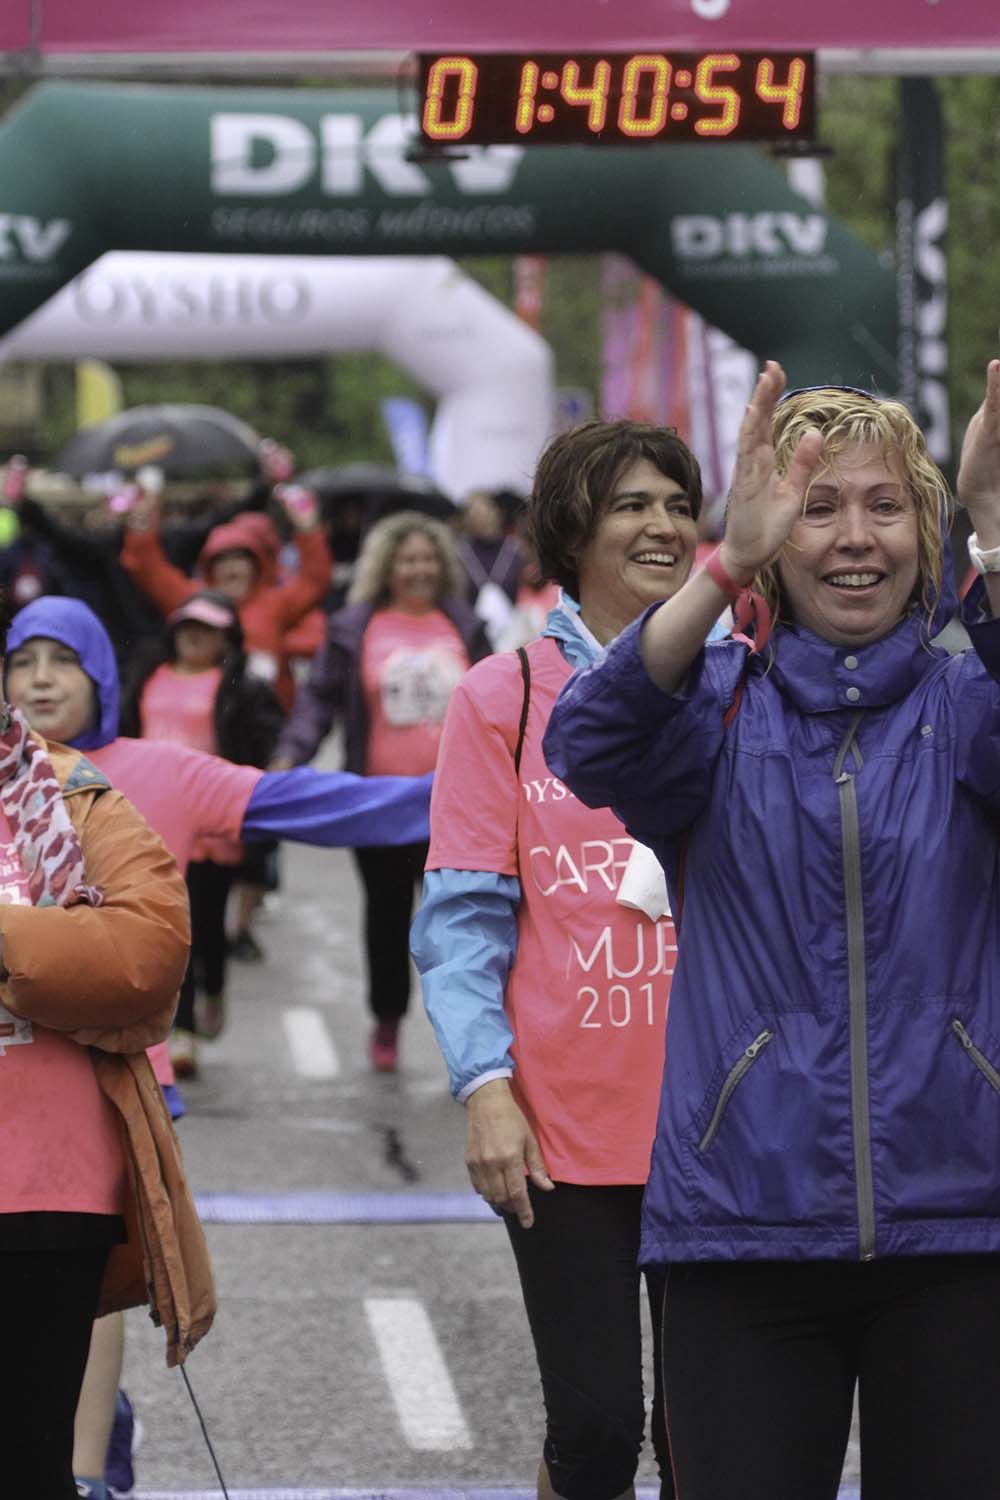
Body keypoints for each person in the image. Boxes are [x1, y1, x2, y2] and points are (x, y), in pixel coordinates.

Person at [544, 362, 1000, 1500]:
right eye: (817, 505)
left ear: (925, 532)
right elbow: (585, 742)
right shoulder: (715, 703)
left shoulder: (968, 705)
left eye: (885, 506)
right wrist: (721, 567)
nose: (854, 538)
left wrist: (998, 537)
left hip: (962, 1228)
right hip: (737, 1231)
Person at [3, 593, 436, 1500]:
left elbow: (306, 803)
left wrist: (464, 796)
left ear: (104, 679)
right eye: (22, 661)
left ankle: (88, 1460)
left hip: (114, 1090)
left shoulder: (146, 775)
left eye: (62, 662)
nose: (40, 680)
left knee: (82, 1302)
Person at [412, 419, 714, 1500]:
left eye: (679, 504)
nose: (663, 526)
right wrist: (484, 1088)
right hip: (565, 1129)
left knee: (706, 1445)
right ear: (573, 528)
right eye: (633, 504)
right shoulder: (509, 693)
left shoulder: (746, 674)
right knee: (593, 1433)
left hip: (727, 1117)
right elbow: (463, 918)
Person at [0, 592, 207, 1497]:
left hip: (48, 1185)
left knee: (26, 1462)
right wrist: (46, 950)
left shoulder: (70, 790)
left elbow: (144, 954)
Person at [273, 510, 490, 1072]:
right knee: (388, 921)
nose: (417, 568)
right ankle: (387, 1020)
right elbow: (318, 699)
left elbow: (500, 700)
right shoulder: (353, 627)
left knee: (460, 925)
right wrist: (289, 754)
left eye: (426, 558)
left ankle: (471, 1040)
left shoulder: (464, 625)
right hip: (380, 807)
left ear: (440, 566)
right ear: (387, 567)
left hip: (456, 806)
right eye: (406, 559)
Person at [119, 589, 284, 1068]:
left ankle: (215, 989)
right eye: (188, 626)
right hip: (151, 829)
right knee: (172, 931)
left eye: (207, 628)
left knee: (208, 929)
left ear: (225, 637)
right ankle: (182, 1029)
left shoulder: (241, 687)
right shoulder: (147, 677)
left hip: (215, 828)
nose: (195, 636)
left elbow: (264, 744)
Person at [120, 480, 331, 710]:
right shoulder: (193, 599)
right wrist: (142, 522)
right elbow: (147, 568)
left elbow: (315, 579)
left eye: (240, 561)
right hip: (205, 719)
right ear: (210, 568)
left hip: (269, 720)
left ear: (255, 566)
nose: (232, 570)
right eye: (223, 562)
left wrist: (308, 528)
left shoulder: (276, 602)